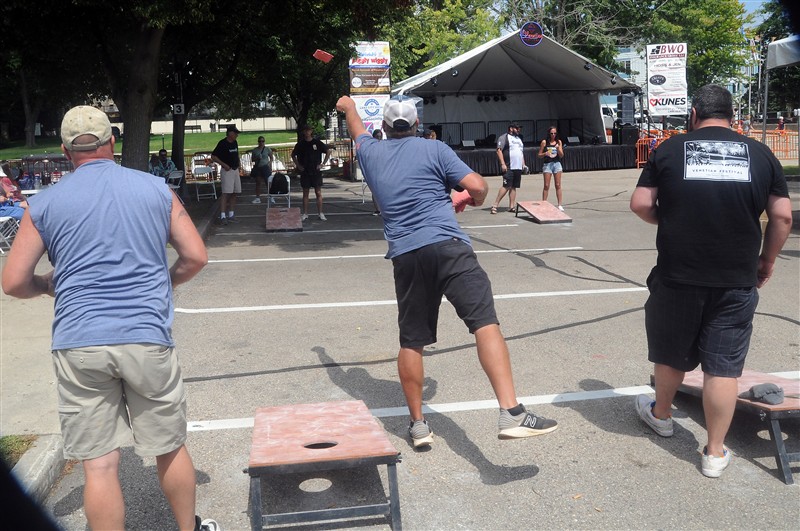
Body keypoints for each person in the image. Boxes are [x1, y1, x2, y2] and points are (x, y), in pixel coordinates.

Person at [1, 105, 218, 530]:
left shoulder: (44, 204)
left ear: (65, 151)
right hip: (145, 336)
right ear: (112, 143)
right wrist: (163, 283)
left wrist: (48, 286)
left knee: (98, 465)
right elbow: (195, 256)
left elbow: (12, 282)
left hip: (79, 341)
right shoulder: (155, 189)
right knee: (169, 446)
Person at [336, 94, 558, 449]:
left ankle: (419, 425)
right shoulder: (434, 149)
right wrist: (471, 199)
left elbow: (356, 127)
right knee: (484, 322)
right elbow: (479, 187)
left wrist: (348, 106)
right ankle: (511, 411)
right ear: (417, 125)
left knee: (412, 341)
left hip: (406, 256)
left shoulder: (370, 153)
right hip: (448, 246)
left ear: (384, 128)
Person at [630, 84, 792, 478]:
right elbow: (783, 216)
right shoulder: (761, 153)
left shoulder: (669, 149)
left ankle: (662, 415)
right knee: (723, 367)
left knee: (670, 352)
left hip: (677, 273)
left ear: (693, 114)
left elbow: (640, 204)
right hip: (736, 277)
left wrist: (668, 219)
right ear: (733, 117)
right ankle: (715, 453)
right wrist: (766, 260)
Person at [291, 125, 331, 221]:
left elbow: (328, 151)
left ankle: (320, 213)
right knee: (305, 193)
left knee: (318, 192)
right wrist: (298, 166)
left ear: (311, 131)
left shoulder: (317, 143)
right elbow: (293, 155)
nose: (307, 132)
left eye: (309, 130)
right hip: (305, 171)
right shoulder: (300, 144)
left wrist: (322, 164)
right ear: (304, 132)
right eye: (306, 130)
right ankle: (305, 213)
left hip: (316, 171)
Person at [490, 123, 524, 214]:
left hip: (518, 167)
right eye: (517, 128)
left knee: (514, 187)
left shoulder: (519, 139)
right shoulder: (504, 137)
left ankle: (511, 206)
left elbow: (521, 152)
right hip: (509, 166)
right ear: (511, 128)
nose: (518, 130)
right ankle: (495, 205)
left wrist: (523, 164)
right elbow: (499, 150)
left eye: (519, 128)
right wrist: (503, 164)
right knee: (506, 186)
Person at [211, 124, 242, 225]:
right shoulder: (222, 143)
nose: (237, 135)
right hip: (227, 171)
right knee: (226, 193)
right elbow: (213, 156)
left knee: (234, 192)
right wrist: (223, 165)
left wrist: (239, 163)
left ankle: (231, 214)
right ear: (230, 133)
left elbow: (236, 154)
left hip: (235, 169)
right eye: (235, 133)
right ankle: (223, 215)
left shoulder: (235, 143)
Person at [538, 126, 565, 211]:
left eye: (555, 133)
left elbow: (561, 155)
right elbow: (539, 155)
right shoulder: (544, 142)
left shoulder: (558, 142)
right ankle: (544, 202)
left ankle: (560, 204)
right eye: (551, 133)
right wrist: (545, 153)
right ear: (549, 134)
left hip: (556, 164)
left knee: (558, 184)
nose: (553, 135)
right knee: (546, 185)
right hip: (547, 164)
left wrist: (558, 148)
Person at [250, 136, 274, 204]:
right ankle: (257, 198)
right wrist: (257, 158)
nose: (261, 142)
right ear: (258, 142)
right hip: (258, 167)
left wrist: (269, 164)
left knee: (268, 182)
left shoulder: (267, 149)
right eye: (260, 141)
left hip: (265, 167)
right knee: (258, 182)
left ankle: (271, 197)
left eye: (262, 141)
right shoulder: (255, 150)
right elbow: (252, 159)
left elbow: (271, 157)